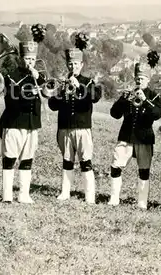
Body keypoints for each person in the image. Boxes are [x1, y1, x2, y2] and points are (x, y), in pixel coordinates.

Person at [48, 32, 102, 204]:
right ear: (67, 64)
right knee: (67, 161)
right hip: (64, 127)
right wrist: (61, 92)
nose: (73, 67)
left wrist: (80, 87)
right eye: (70, 64)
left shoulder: (88, 82)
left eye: (76, 64)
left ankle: (90, 195)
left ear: (82, 65)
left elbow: (95, 97)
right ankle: (65, 192)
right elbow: (52, 105)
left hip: (82, 127)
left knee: (86, 161)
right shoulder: (63, 83)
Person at [0, 24, 47, 203]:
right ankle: (7, 196)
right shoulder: (12, 75)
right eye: (27, 59)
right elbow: (10, 99)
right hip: (14, 122)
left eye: (32, 60)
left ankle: (24, 194)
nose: (30, 63)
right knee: (9, 159)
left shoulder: (38, 76)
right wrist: (30, 93)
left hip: (32, 123)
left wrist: (38, 78)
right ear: (21, 58)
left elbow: (48, 88)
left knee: (27, 159)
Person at [108, 59, 161, 210]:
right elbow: (114, 114)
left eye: (143, 78)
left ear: (148, 79)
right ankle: (114, 197)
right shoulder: (128, 93)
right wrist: (123, 100)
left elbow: (157, 114)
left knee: (144, 170)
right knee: (115, 165)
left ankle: (142, 201)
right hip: (126, 136)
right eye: (138, 78)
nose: (140, 81)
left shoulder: (153, 96)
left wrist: (145, 101)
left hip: (144, 138)